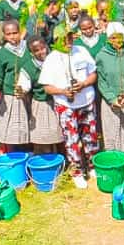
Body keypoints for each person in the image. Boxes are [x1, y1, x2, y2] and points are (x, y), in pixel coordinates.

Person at [41, 27, 99, 187]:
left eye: (70, 39)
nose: (68, 43)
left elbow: (93, 74)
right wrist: (63, 91)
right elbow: (46, 86)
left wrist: (84, 83)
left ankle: (92, 166)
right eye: (64, 40)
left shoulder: (81, 51)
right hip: (65, 105)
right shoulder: (52, 58)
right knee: (72, 140)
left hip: (86, 101)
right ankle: (77, 172)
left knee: (90, 136)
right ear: (57, 40)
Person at [95, 25, 124, 182]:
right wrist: (111, 98)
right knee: (113, 135)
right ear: (108, 39)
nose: (116, 41)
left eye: (119, 37)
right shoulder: (102, 56)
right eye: (113, 37)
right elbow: (101, 81)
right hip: (111, 105)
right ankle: (116, 171)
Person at [0, 20, 31, 151]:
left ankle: (31, 155)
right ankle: (14, 157)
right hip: (11, 96)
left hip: (29, 95)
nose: (13, 37)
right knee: (14, 131)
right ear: (4, 35)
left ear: (21, 32)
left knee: (30, 129)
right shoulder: (2, 54)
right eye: (9, 34)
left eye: (15, 33)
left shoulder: (29, 48)